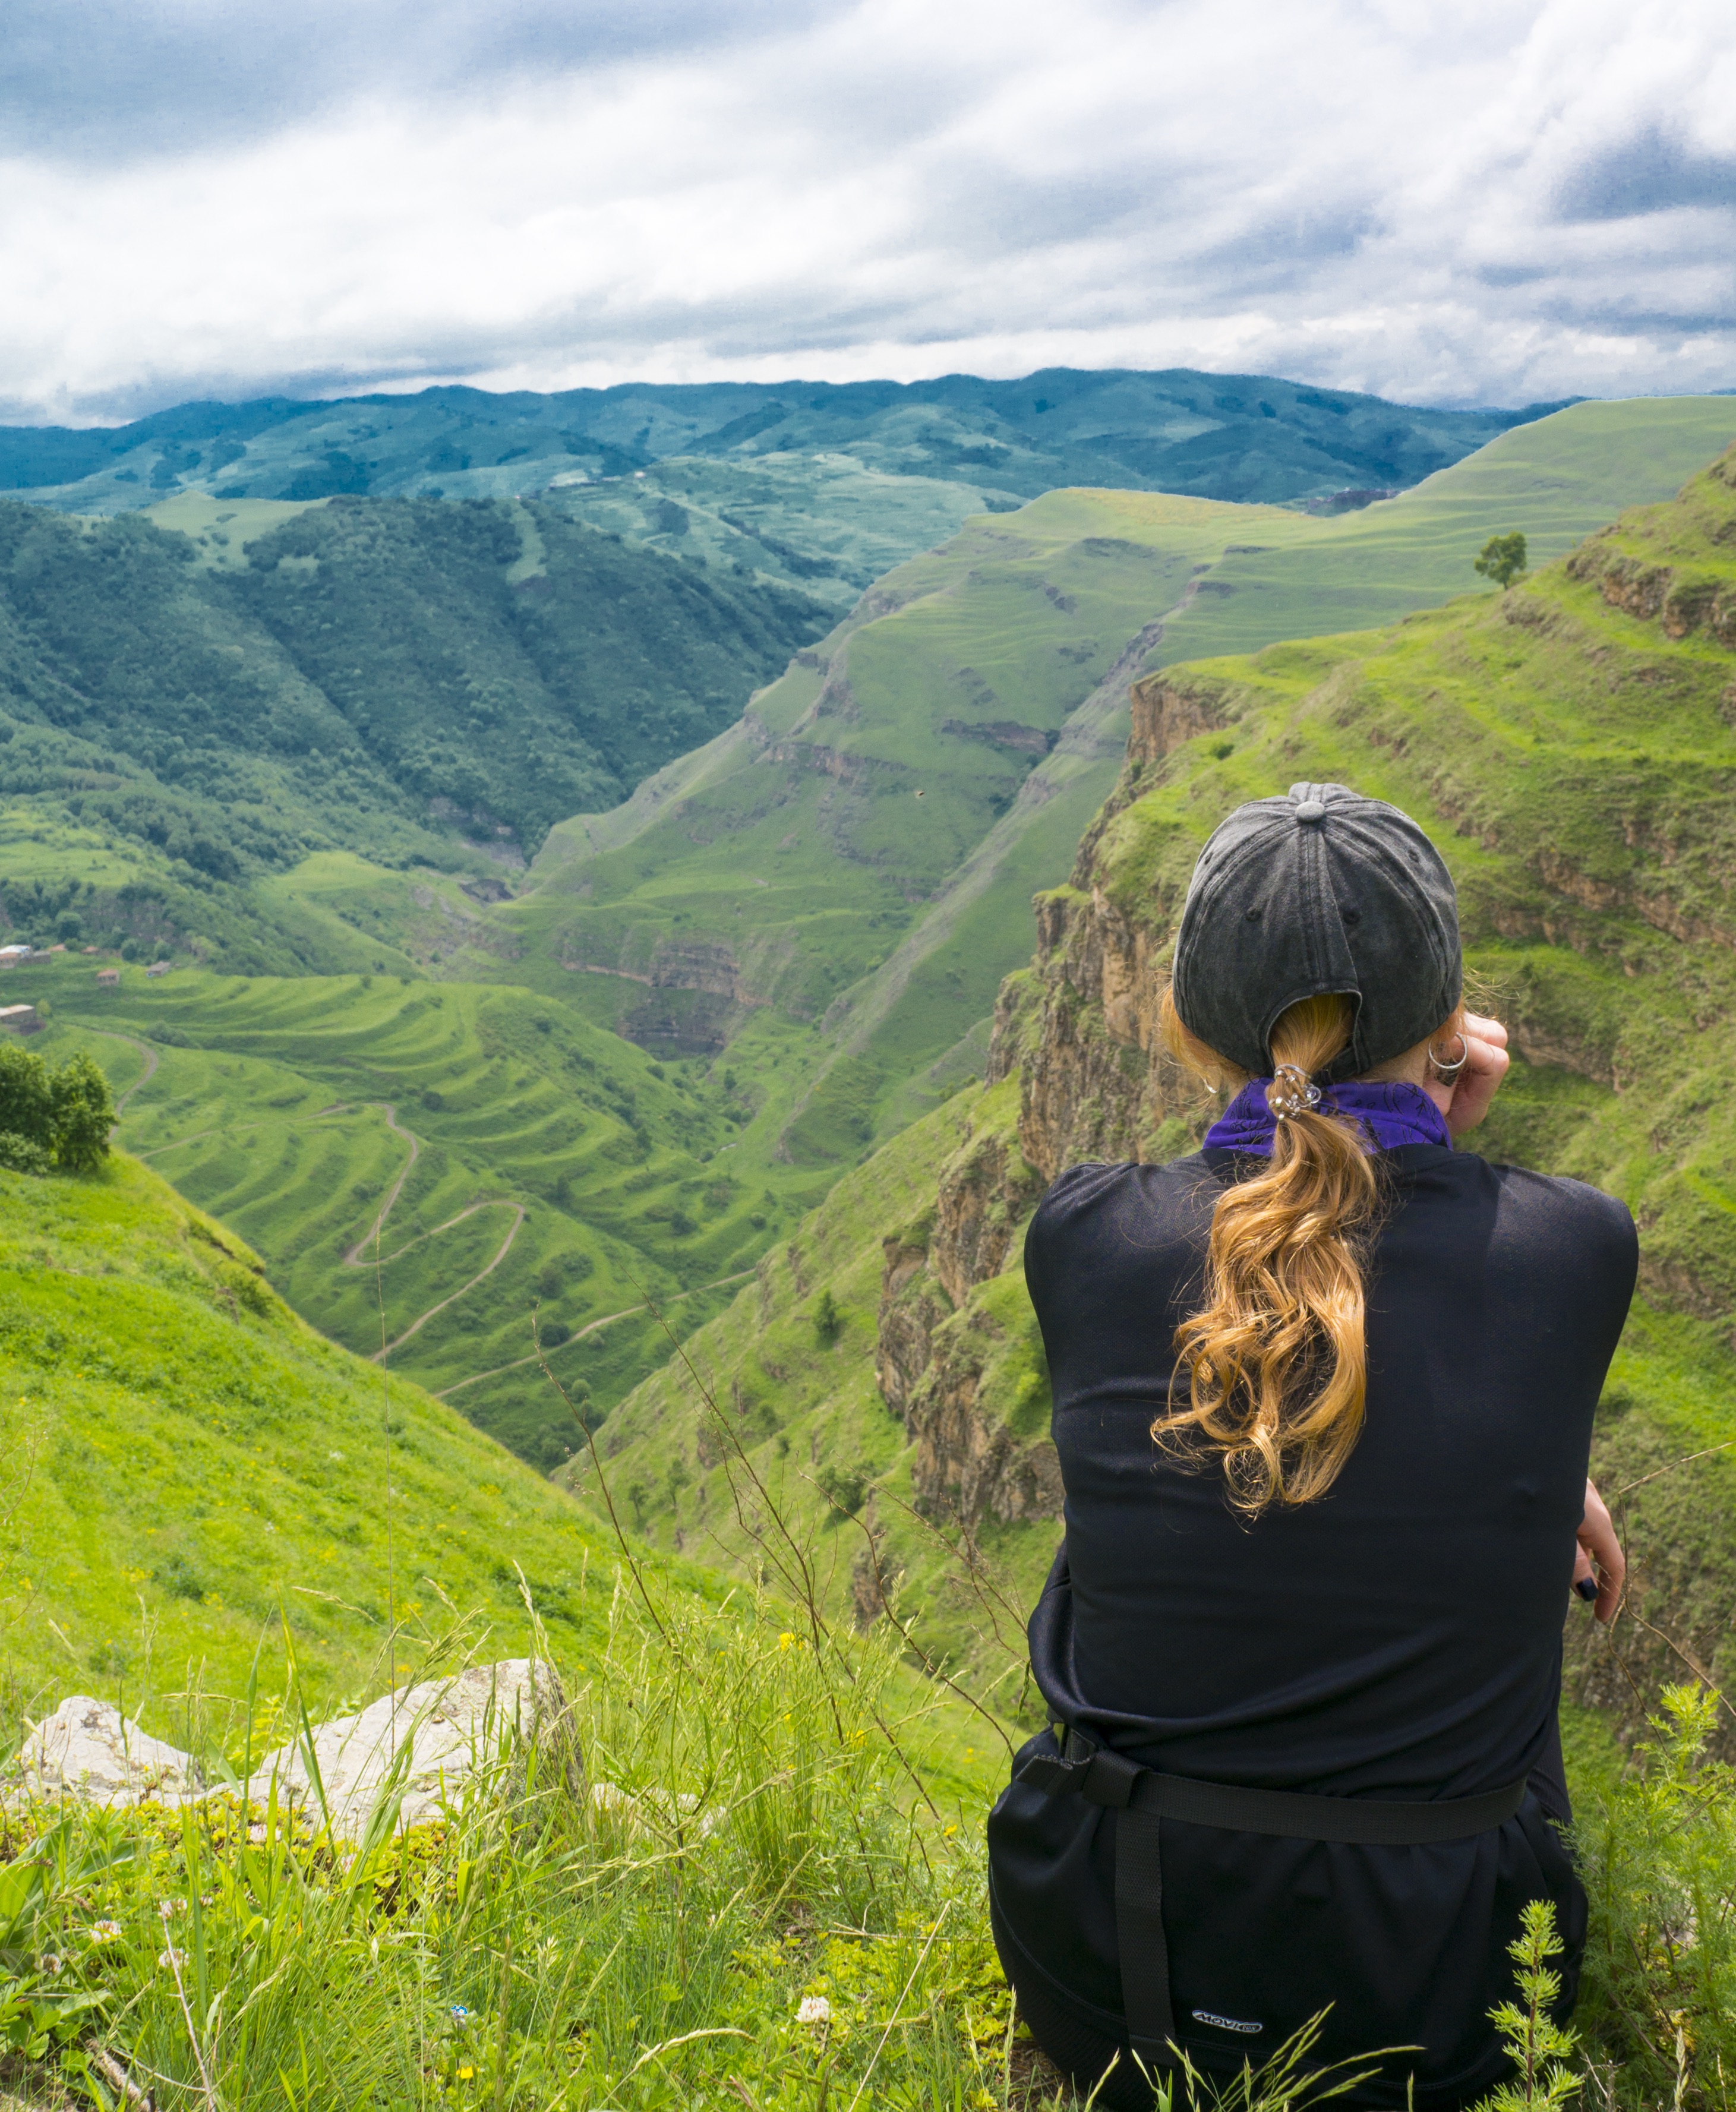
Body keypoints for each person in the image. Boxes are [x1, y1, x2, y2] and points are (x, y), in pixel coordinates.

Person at [987, 782, 1636, 2111]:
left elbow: (1293, 1270)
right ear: (1452, 1022)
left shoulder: (1086, 1237)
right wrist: (1448, 1141)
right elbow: (1427, 1303)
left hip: (1112, 1964)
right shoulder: (1575, 1251)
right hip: (1453, 1998)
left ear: (1183, 1019)